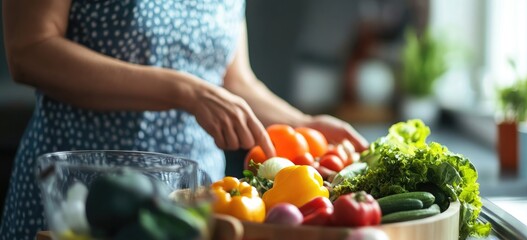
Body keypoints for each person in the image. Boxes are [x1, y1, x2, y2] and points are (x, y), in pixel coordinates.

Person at [0, 0, 369, 239]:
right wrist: (184, 90)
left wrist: (304, 123)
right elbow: (30, 51)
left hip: (192, 209)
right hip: (78, 199)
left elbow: (233, 82)